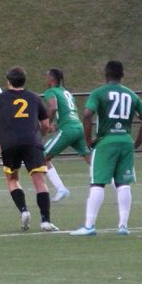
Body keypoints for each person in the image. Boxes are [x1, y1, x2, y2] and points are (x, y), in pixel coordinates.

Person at [70, 60, 142, 236]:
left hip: (106, 141)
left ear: (106, 74)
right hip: (126, 142)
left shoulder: (99, 93)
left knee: (97, 183)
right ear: (122, 75)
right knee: (123, 184)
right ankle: (123, 226)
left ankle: (89, 226)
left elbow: (87, 115)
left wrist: (88, 140)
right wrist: (136, 143)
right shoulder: (131, 95)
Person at [0, 66, 59, 232]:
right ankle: (45, 221)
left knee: (12, 179)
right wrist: (41, 135)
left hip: (9, 143)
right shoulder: (34, 97)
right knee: (40, 182)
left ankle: (24, 210)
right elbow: (45, 124)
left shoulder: (1, 98)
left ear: (8, 81)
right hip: (32, 142)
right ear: (24, 81)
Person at [40, 68, 91, 202]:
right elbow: (69, 113)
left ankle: (61, 189)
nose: (45, 79)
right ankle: (117, 184)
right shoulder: (66, 92)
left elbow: (53, 108)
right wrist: (56, 125)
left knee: (42, 156)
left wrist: (46, 125)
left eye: (47, 76)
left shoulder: (51, 91)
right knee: (90, 159)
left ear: (52, 79)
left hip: (68, 130)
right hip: (78, 127)